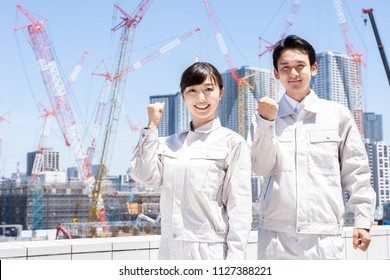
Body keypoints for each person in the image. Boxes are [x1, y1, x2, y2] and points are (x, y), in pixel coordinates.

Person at [249, 34, 376, 260]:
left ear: (314, 68)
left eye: (300, 66)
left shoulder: (337, 115)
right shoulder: (263, 117)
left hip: (324, 237)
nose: (293, 73)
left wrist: (363, 221)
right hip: (276, 238)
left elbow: (356, 171)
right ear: (276, 73)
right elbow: (261, 167)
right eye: (285, 67)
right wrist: (266, 123)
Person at [130, 62, 252, 260]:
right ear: (183, 95)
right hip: (170, 250)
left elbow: (240, 207)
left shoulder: (232, 143)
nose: (201, 97)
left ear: (221, 93)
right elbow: (143, 176)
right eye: (192, 90)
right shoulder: (169, 143)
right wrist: (152, 127)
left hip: (210, 251)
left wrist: (235, 260)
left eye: (208, 89)